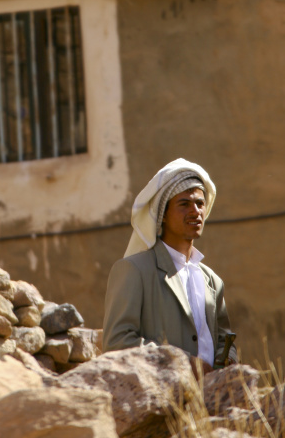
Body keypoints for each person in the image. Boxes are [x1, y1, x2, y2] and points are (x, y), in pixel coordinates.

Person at [102, 158, 237, 373]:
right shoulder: (135, 270)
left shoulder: (212, 280)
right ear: (162, 214)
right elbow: (117, 341)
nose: (196, 211)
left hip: (211, 400)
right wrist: (183, 364)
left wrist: (226, 362)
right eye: (184, 204)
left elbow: (224, 341)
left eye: (200, 204)